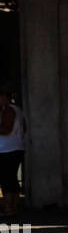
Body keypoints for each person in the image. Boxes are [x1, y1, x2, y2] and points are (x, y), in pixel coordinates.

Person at [0, 86, 25, 223]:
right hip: (16, 148)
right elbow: (24, 128)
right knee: (12, 178)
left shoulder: (9, 110)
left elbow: (6, 129)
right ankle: (13, 207)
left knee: (6, 179)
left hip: (7, 149)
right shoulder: (18, 110)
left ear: (4, 97)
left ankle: (8, 208)